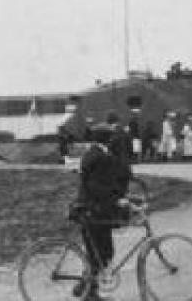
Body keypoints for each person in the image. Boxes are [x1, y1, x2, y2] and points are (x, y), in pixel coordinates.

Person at [74, 123, 133, 301]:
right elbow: (97, 186)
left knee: (101, 252)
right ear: (106, 139)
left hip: (92, 209)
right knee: (100, 253)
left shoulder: (93, 153)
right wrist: (117, 199)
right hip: (93, 210)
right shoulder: (99, 157)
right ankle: (89, 293)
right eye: (110, 136)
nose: (112, 139)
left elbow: (101, 183)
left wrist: (117, 196)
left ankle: (84, 287)